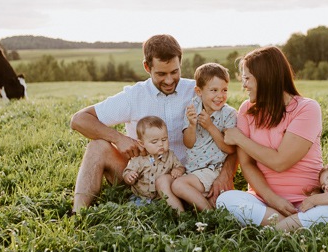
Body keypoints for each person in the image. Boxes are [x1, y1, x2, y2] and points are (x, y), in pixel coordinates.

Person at [70, 34, 236, 213]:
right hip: (141, 175)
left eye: (174, 72)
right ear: (147, 67)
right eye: (161, 74)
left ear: (180, 63)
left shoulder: (198, 90)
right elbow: (79, 120)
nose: (169, 80)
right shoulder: (134, 96)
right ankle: (78, 214)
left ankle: (184, 209)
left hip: (186, 177)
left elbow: (233, 135)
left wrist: (226, 175)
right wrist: (118, 138)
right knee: (97, 147)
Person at [216, 46, 328, 226]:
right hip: (265, 202)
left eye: (247, 78)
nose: (244, 85)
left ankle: (283, 225)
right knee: (225, 200)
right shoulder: (247, 110)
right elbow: (247, 164)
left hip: (307, 202)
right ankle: (292, 225)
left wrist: (239, 138)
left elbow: (280, 162)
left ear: (266, 78)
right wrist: (273, 199)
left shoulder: (307, 108)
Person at [171, 63, 237, 211]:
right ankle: (185, 215)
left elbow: (230, 149)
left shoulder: (229, 114)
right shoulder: (193, 107)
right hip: (192, 169)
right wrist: (192, 126)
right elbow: (188, 143)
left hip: (212, 169)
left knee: (178, 185)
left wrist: (210, 127)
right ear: (199, 91)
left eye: (224, 90)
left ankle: (209, 214)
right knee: (166, 182)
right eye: (214, 90)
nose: (220, 95)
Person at [123, 116, 186, 211]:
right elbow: (128, 172)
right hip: (142, 197)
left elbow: (180, 167)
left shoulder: (170, 156)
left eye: (164, 139)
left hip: (162, 198)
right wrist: (129, 176)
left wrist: (178, 170)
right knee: (133, 208)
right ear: (142, 143)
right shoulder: (139, 160)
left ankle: (173, 213)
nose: (161, 144)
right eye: (154, 142)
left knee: (167, 207)